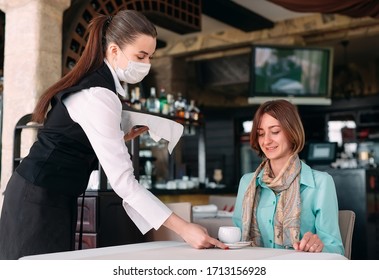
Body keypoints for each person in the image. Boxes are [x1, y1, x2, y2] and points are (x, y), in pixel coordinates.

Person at [0, 10, 226, 260]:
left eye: (150, 56)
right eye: (140, 56)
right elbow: (124, 183)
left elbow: (76, 139)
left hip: (50, 194)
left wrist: (120, 138)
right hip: (37, 198)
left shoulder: (99, 86)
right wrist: (184, 229)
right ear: (114, 50)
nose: (146, 64)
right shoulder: (99, 95)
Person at [232, 99, 344, 255]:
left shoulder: (321, 183)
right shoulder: (247, 182)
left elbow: (336, 250)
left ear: (292, 132)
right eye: (261, 134)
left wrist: (318, 246)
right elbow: (236, 240)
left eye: (275, 131)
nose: (266, 141)